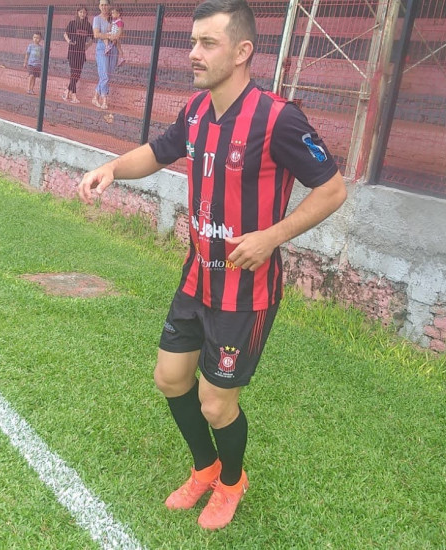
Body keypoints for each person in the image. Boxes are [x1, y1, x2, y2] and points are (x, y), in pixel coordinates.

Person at [77, 0, 347, 531]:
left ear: (243, 51)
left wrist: (272, 236)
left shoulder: (278, 119)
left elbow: (333, 189)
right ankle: (205, 469)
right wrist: (112, 167)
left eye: (208, 43)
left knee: (216, 406)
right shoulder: (197, 111)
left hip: (245, 292)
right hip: (197, 275)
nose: (193, 54)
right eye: (193, 41)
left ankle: (232, 482)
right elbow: (156, 153)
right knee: (170, 378)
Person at [63, 7, 92, 103]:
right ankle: (73, 95)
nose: (82, 14)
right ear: (77, 13)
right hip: (72, 51)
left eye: (84, 12)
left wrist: (87, 45)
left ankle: (67, 91)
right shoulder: (72, 23)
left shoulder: (88, 25)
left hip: (81, 52)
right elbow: (65, 34)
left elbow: (92, 37)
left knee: (77, 74)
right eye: (81, 12)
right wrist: (69, 41)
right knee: (73, 72)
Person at [91, 0, 117, 110]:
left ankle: (95, 97)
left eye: (106, 5)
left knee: (107, 76)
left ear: (109, 6)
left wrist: (114, 37)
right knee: (104, 75)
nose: (104, 7)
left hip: (113, 47)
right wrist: (108, 36)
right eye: (102, 5)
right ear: (99, 6)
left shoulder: (113, 18)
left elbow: (119, 32)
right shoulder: (97, 19)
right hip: (102, 48)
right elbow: (96, 34)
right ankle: (104, 100)